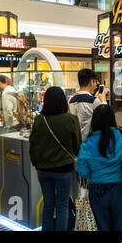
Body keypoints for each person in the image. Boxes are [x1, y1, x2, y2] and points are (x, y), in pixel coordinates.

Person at [76, 104, 122, 231]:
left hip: (98, 191)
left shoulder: (87, 143)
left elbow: (82, 171)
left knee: (102, 226)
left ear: (94, 121)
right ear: (112, 119)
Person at [29, 87, 81, 231]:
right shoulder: (71, 119)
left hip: (43, 169)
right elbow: (77, 146)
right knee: (62, 206)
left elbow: (32, 146)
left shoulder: (39, 119)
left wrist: (36, 165)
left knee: (48, 204)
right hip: (64, 169)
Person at [69, 69, 107, 142]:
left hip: (76, 141)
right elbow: (105, 117)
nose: (96, 85)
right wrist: (103, 101)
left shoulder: (72, 100)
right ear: (91, 82)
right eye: (95, 81)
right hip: (90, 142)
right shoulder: (93, 101)